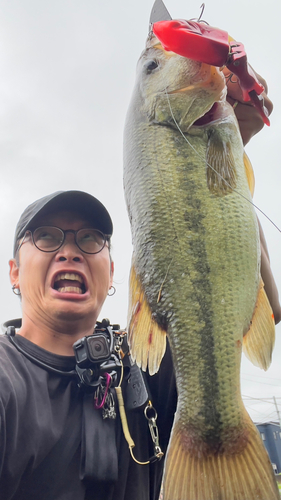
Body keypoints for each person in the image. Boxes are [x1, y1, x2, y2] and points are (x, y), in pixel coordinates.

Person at [0, 78, 280, 500]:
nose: (70, 251)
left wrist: (223, 160)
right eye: (46, 237)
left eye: (90, 239)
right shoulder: (7, 382)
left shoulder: (146, 367)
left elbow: (241, 293)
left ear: (114, 273)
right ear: (14, 273)